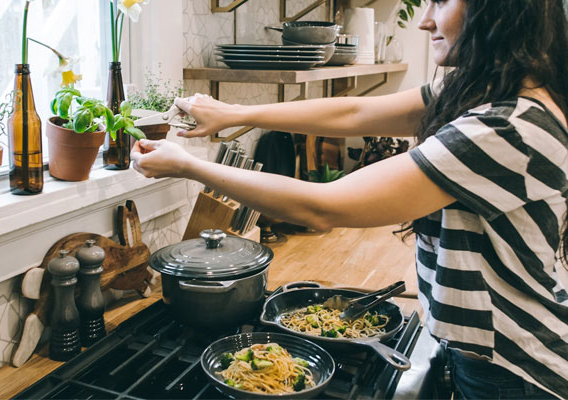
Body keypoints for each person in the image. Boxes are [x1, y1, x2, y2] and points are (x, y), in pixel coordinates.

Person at [131, 0, 568, 398]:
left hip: (515, 369)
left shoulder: (506, 126)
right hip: (487, 356)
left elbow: (323, 207)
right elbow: (352, 112)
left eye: (441, 0)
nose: (425, 20)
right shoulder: (482, 94)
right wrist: (235, 113)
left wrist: (189, 165)